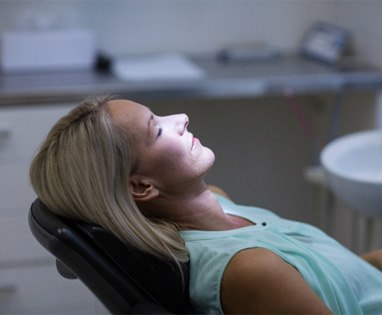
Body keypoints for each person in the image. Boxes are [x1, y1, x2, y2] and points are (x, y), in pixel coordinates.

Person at [30, 96, 382, 314]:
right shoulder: (250, 270)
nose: (181, 117)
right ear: (141, 187)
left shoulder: (223, 205)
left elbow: (332, 277)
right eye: (157, 130)